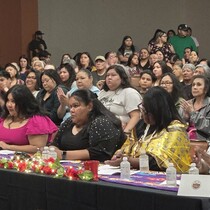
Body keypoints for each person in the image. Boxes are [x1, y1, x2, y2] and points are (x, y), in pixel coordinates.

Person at [105, 86, 191, 173]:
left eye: (147, 112)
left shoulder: (175, 129)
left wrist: (128, 160)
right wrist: (119, 155)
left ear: (158, 111)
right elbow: (128, 147)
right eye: (142, 109)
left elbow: (160, 162)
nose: (143, 115)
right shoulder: (141, 125)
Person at [51, 89, 126, 162]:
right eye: (70, 107)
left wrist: (63, 155)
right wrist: (52, 150)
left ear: (90, 106)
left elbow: (100, 153)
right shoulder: (69, 122)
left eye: (76, 106)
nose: (71, 110)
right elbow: (55, 143)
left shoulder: (102, 122)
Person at [0, 85, 57, 153]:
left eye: (13, 101)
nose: (9, 105)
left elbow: (38, 149)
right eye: (8, 101)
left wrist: (8, 147)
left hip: (25, 161)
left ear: (24, 103)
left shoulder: (37, 120)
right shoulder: (5, 117)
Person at [98, 65, 142, 134]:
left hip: (120, 132)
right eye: (107, 75)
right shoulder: (102, 93)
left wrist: (125, 134)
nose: (109, 77)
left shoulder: (129, 92)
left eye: (113, 75)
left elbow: (136, 116)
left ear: (122, 78)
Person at [180, 75, 210, 141]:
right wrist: (185, 118)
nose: (195, 87)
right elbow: (178, 126)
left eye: (199, 85)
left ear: (206, 89)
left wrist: (193, 114)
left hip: (205, 143)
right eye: (193, 85)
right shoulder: (187, 104)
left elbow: (208, 128)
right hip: (185, 141)